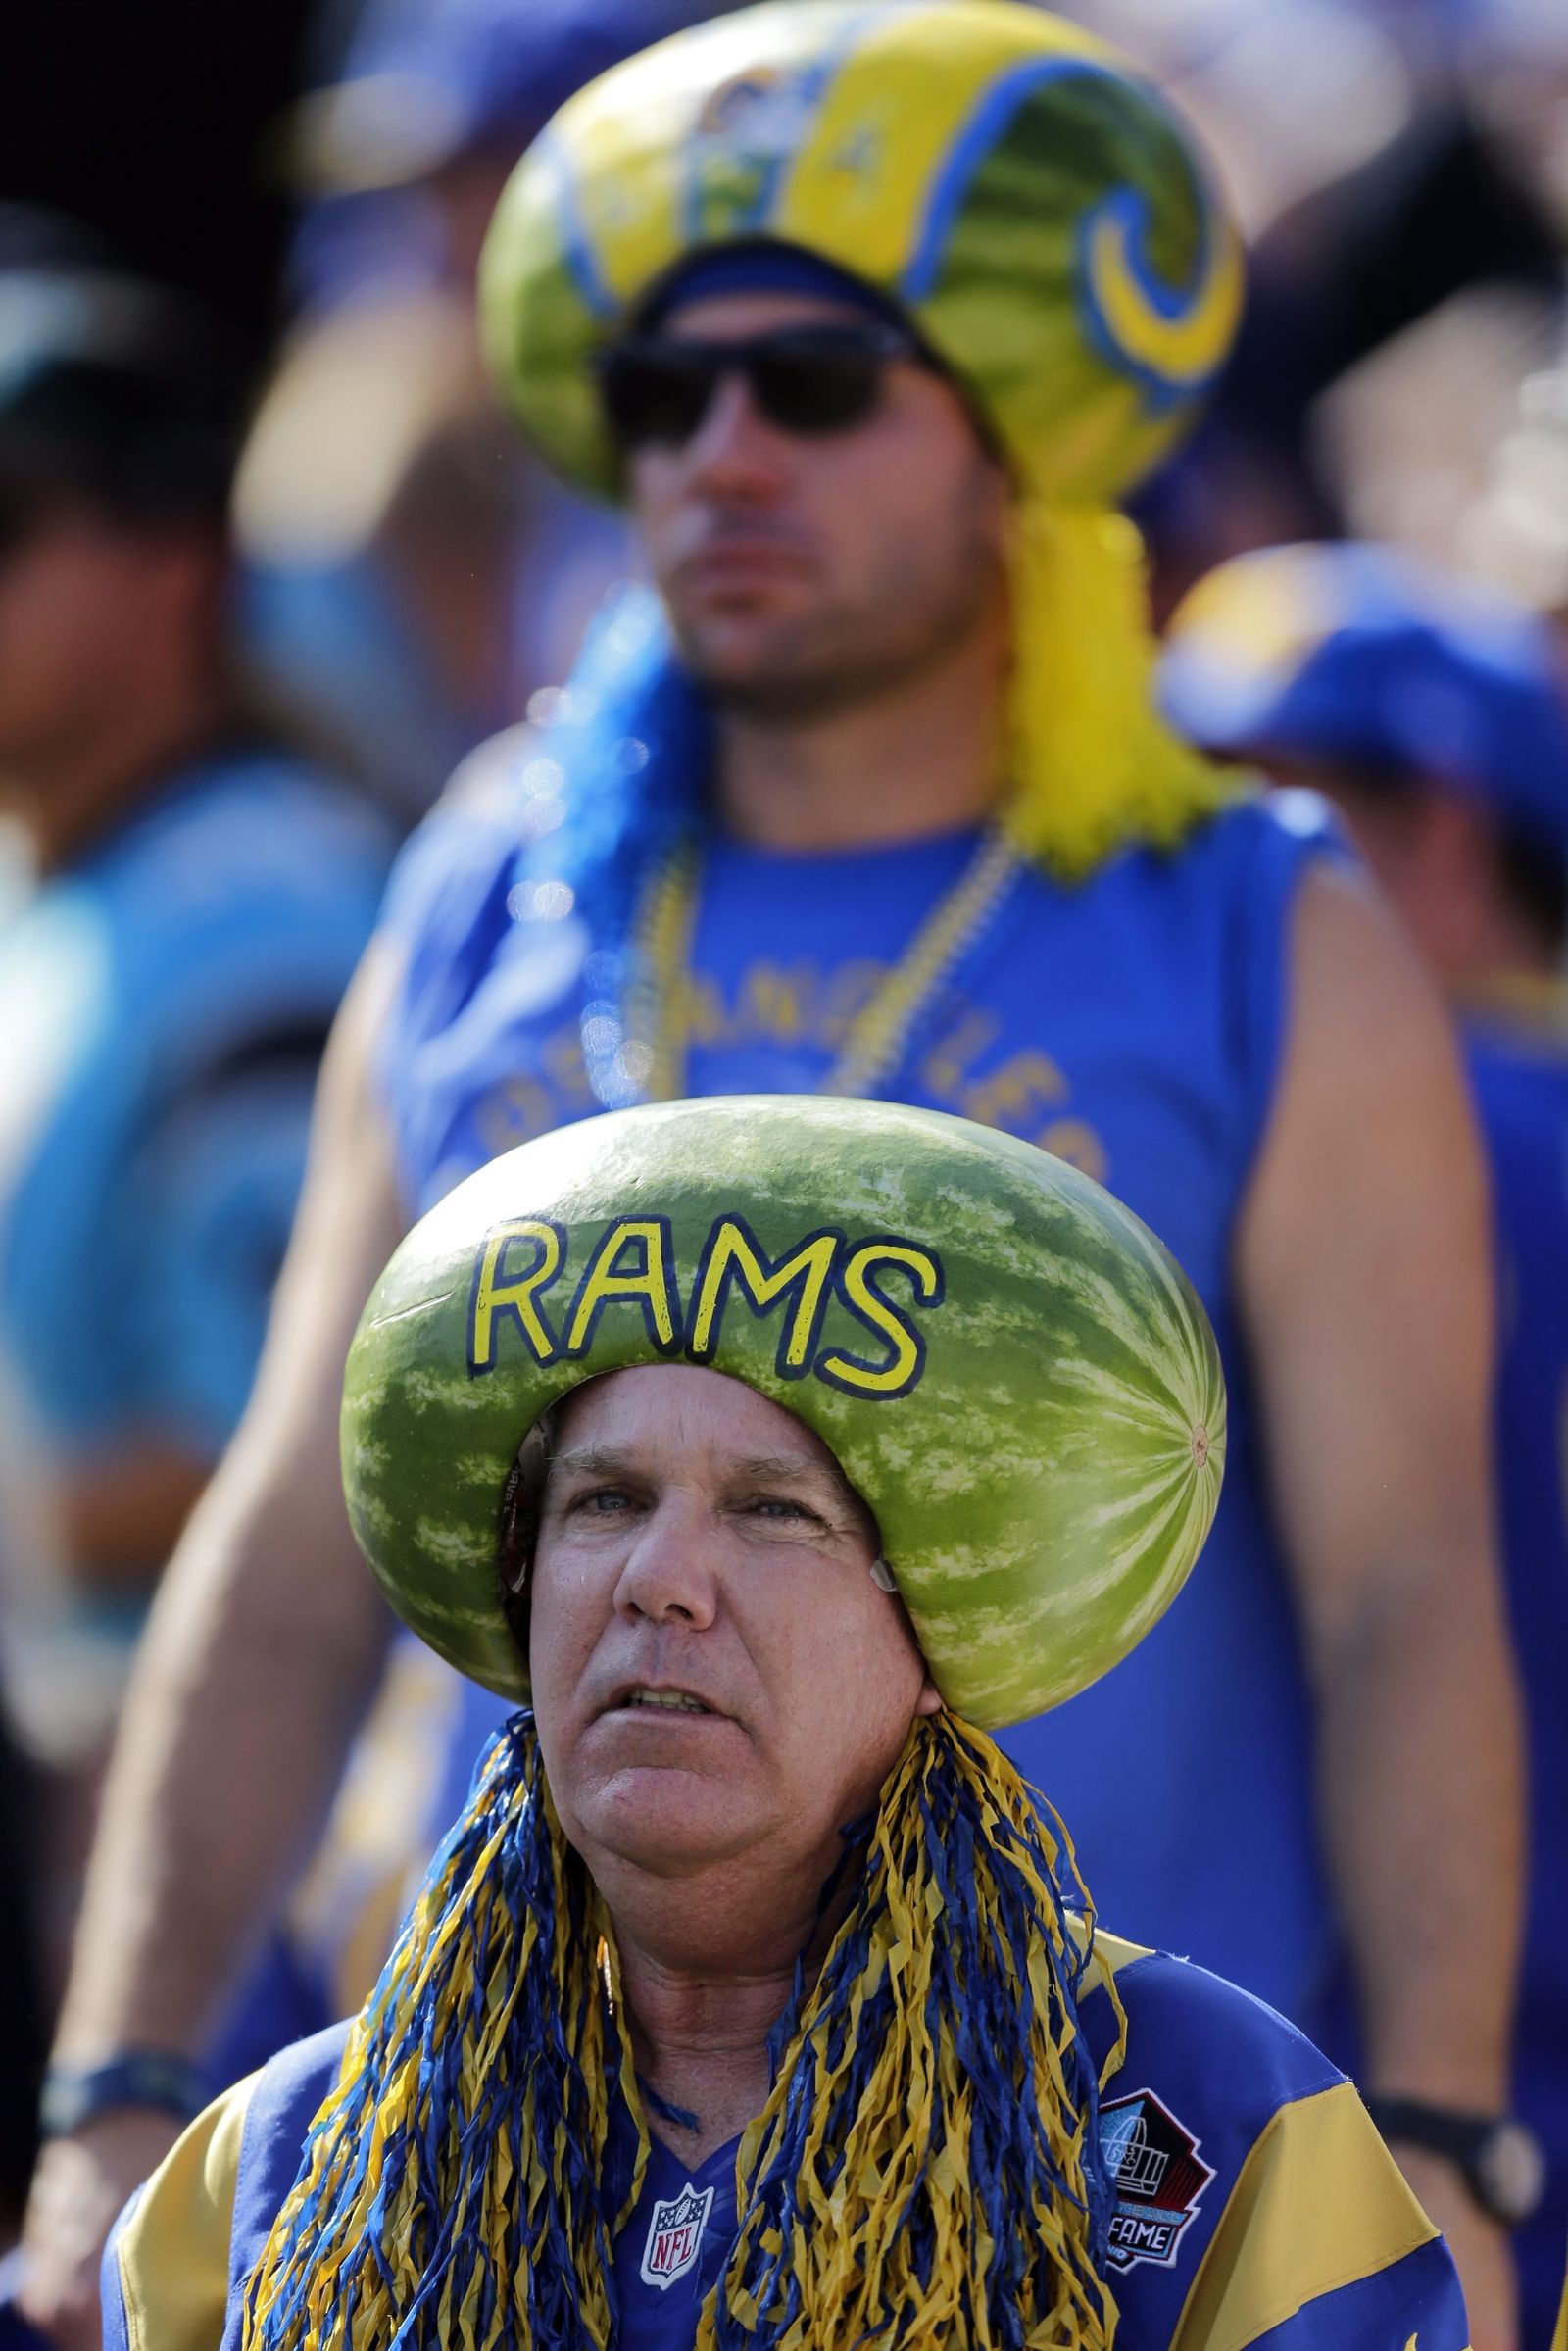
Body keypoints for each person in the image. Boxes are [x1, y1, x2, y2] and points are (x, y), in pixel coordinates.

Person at [23, 7, 1523, 2344]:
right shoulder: (492, 885)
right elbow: (294, 1539)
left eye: (809, 383)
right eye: (656, 394)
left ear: (1014, 436)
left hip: (1086, 2200)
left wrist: (1434, 2134)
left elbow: (1400, 1583)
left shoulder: (1244, 918)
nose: (715, 449)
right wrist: (118, 2077)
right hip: (512, 2171)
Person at [104, 1095, 1470, 2351]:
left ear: (936, 1629)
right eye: (604, 1502)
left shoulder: (1210, 2125)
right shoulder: (270, 2181)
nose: (660, 1581)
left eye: (773, 1511)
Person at [1161, 537, 1568, 2350]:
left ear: (1448, 840)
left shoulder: (1373, 1137)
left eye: (1283, 822)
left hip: (1354, 2074)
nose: (1214, 881)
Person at [0, 234, 392, 1690]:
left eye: (7, 520)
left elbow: (291, 1455)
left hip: (209, 1796)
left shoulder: (263, 926)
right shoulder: (71, 868)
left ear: (174, 562)